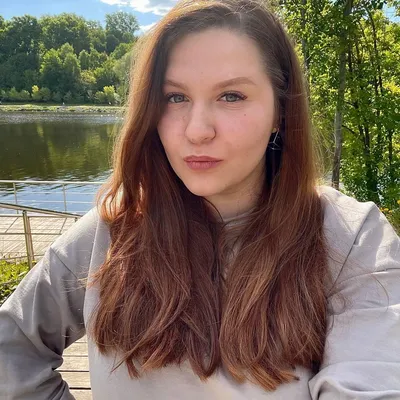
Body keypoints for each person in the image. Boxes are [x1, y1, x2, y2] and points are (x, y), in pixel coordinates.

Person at [1, 0, 399, 398]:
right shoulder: (111, 230)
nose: (197, 131)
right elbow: (12, 347)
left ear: (280, 111)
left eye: (232, 96)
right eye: (175, 97)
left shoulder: (352, 240)